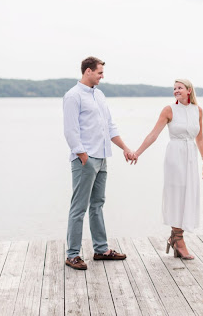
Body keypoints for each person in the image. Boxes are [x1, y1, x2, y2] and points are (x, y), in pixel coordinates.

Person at [63, 57, 132, 270]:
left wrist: (125, 148)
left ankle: (101, 250)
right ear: (88, 71)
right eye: (100, 73)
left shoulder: (99, 95)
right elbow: (70, 130)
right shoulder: (73, 96)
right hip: (85, 159)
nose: (102, 76)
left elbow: (110, 127)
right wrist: (83, 156)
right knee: (79, 207)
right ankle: (72, 254)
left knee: (97, 205)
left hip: (102, 158)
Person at [130, 78, 203, 259]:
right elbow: (154, 134)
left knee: (189, 193)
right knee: (176, 194)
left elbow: (200, 138)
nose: (176, 91)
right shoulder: (169, 110)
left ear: (189, 90)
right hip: (175, 155)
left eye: (179, 88)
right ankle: (178, 240)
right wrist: (137, 152)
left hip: (191, 156)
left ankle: (176, 238)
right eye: (174, 88)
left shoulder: (198, 110)